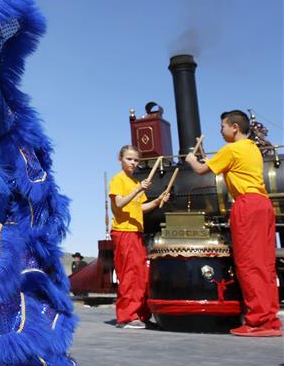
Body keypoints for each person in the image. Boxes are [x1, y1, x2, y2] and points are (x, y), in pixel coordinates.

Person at [185, 110, 282, 337]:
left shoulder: (231, 149)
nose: (221, 131)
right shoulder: (252, 148)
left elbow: (200, 170)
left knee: (249, 263)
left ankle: (258, 322)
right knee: (265, 264)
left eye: (223, 126)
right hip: (263, 205)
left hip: (247, 206)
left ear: (235, 127)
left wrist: (191, 159)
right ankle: (269, 319)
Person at [109, 145, 170, 329]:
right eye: (129, 159)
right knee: (129, 275)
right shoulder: (118, 179)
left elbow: (140, 208)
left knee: (140, 274)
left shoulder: (135, 182)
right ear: (120, 159)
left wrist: (157, 201)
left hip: (136, 232)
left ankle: (140, 314)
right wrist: (137, 190)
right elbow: (119, 203)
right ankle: (126, 317)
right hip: (123, 231)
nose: (133, 163)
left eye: (136, 160)